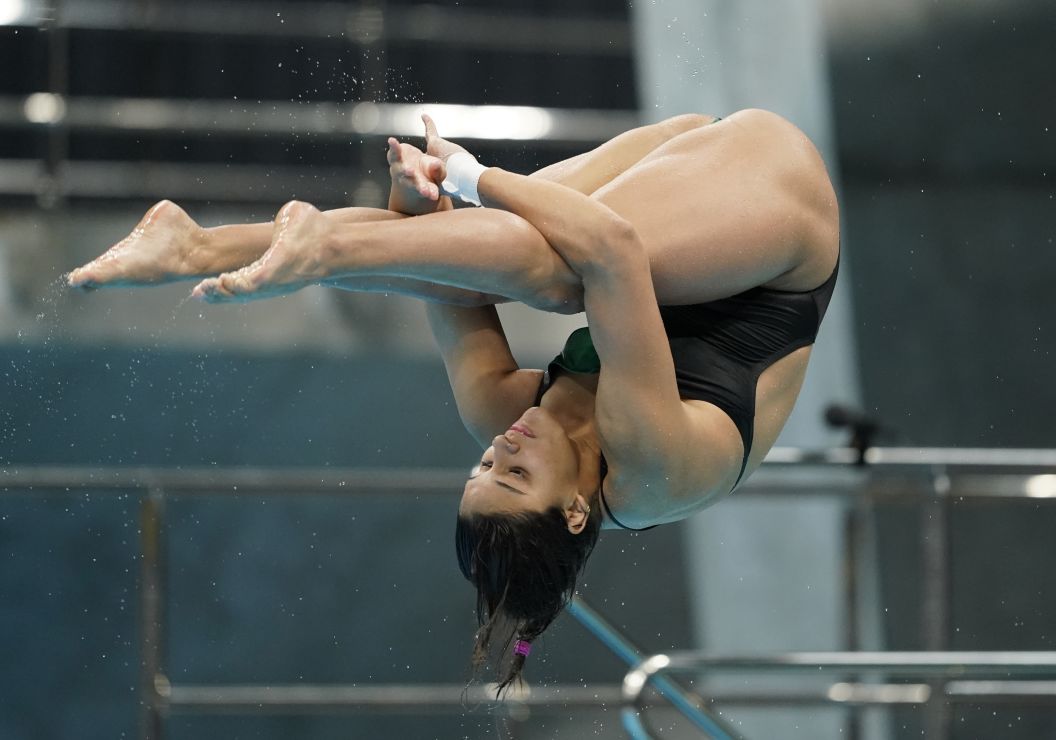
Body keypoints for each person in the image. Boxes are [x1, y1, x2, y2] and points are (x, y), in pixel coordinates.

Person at [68, 109, 840, 692]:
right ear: (575, 510)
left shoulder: (501, 413)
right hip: (778, 196)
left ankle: (195, 246)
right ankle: (316, 250)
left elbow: (438, 268)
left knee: (497, 264)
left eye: (484, 464)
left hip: (685, 167)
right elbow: (611, 253)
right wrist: (470, 177)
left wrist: (417, 202)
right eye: (512, 474)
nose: (502, 446)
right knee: (559, 272)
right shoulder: (652, 471)